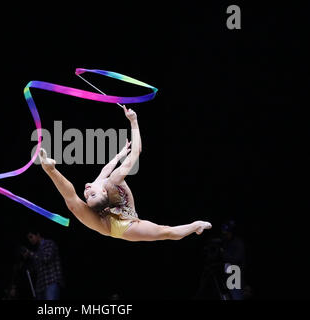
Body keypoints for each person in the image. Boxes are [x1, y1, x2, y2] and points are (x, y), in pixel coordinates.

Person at [39, 106, 212, 241]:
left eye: (87, 195)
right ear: (103, 192)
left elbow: (104, 170)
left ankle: (50, 170)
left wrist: (119, 156)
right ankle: (195, 225)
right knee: (165, 231)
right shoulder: (106, 187)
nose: (86, 190)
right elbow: (136, 152)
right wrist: (133, 121)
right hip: (120, 226)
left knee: (109, 178)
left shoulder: (101, 184)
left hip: (121, 207)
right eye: (91, 194)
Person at [23, 229, 64, 300]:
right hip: (40, 287)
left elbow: (46, 258)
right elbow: (36, 269)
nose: (30, 240)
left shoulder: (49, 243)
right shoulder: (37, 251)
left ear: (38, 235)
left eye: (31, 237)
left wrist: (30, 253)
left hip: (51, 282)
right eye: (28, 238)